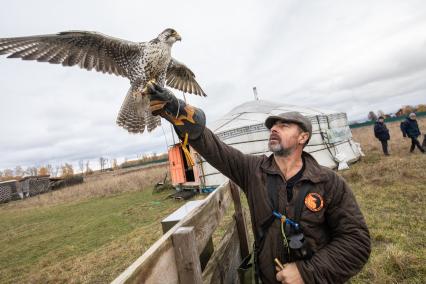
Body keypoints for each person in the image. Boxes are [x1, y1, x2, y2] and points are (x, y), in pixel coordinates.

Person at [147, 83, 371, 284]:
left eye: (284, 125)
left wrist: (307, 272)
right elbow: (215, 149)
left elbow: (356, 243)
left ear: (303, 137)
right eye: (273, 126)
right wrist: (181, 115)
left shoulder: (328, 182)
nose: (274, 129)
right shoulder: (253, 171)